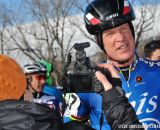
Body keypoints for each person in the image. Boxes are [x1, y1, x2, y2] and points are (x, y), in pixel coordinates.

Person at [64, 0, 160, 130]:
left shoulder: (157, 70)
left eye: (124, 28)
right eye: (110, 34)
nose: (120, 37)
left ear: (132, 31)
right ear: (100, 42)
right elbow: (68, 124)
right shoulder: (85, 81)